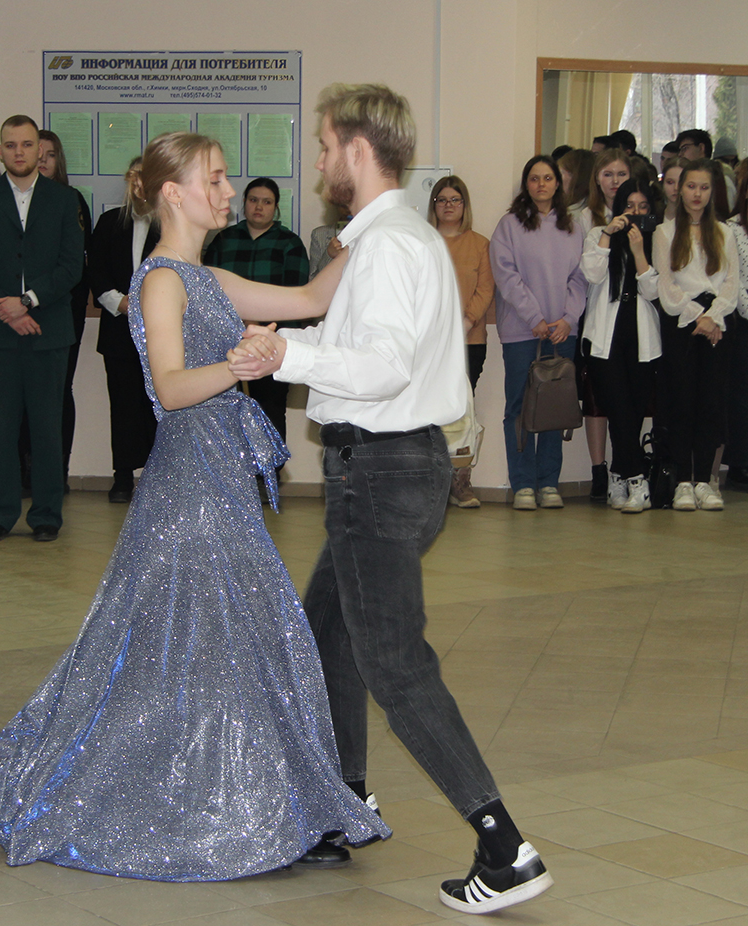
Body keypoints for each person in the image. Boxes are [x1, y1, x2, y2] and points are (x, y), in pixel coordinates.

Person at [0, 130, 388, 880]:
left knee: (229, 636)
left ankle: (271, 797)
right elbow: (169, 389)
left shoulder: (208, 277)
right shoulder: (161, 282)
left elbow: (310, 299)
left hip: (222, 475)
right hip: (189, 485)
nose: (229, 191)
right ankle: (236, 799)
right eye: (216, 179)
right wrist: (240, 364)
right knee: (212, 636)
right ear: (174, 193)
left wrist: (372, 225)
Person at [231, 84, 552, 914]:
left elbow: (380, 367)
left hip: (378, 472)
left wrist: (284, 359)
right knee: (327, 633)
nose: (318, 161)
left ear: (357, 148)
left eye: (324, 145)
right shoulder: (398, 238)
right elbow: (358, 342)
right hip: (395, 467)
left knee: (396, 664)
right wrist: (285, 344)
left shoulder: (386, 248)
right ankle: (344, 802)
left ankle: (504, 848)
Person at [0, 115, 84, 542]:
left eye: (27, 144)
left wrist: (28, 301)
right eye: (11, 145)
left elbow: (71, 266)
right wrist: (7, 308)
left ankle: (47, 514)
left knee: (47, 427)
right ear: (0, 151)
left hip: (49, 332)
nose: (19, 152)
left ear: (40, 150)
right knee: (2, 426)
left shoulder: (64, 199)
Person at [491, 155, 587, 510]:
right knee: (519, 407)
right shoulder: (509, 225)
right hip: (522, 332)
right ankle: (522, 485)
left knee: (554, 407)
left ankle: (548, 483)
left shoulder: (572, 226)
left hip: (562, 332)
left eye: (548, 178)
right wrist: (535, 317)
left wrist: (568, 318)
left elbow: (580, 277)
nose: (541, 184)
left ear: (558, 184)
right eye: (534, 178)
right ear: (526, 184)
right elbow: (507, 277)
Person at [654, 159, 738, 510]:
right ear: (679, 189)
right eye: (691, 186)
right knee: (682, 402)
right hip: (682, 323)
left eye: (704, 187)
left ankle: (704, 480)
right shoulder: (665, 233)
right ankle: (683, 482)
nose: (697, 194)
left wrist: (713, 317)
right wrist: (697, 318)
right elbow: (666, 287)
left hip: (716, 325)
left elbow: (731, 283)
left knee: (710, 403)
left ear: (712, 191)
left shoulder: (724, 232)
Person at [204, 176, 309, 440]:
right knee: (225, 416)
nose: (259, 207)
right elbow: (207, 292)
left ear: (276, 207)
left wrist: (269, 333)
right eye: (253, 200)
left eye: (267, 202)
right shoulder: (223, 240)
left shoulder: (290, 243)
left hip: (269, 345)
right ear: (244, 203)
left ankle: (271, 467)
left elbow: (295, 299)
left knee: (269, 414)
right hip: (225, 343)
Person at [580, 177, 660, 513]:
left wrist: (639, 251)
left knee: (634, 410)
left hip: (642, 336)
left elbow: (654, 291)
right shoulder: (598, 234)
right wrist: (608, 235)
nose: (635, 214)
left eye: (642, 207)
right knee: (617, 408)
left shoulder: (658, 239)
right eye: (629, 207)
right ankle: (638, 480)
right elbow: (592, 273)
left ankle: (617, 474)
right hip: (605, 336)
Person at [89, 156, 160, 503]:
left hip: (161, 332)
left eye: (146, 179)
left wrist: (152, 305)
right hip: (119, 330)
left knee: (159, 406)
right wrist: (122, 303)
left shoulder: (170, 224)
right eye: (134, 179)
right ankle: (122, 476)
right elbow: (96, 271)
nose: (139, 186)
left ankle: (158, 478)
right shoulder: (108, 222)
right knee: (123, 405)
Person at [427, 175, 493, 508]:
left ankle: (460, 482)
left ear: (465, 205)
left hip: (469, 341)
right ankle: (429, 482)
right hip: (428, 343)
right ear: (433, 205)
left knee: (461, 411)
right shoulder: (422, 242)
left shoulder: (480, 244)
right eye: (442, 200)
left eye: (455, 200)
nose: (448, 205)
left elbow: (485, 290)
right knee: (427, 410)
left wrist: (465, 323)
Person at [36, 129, 92, 491]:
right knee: (24, 392)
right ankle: (27, 468)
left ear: (60, 161)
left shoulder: (72, 201)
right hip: (20, 311)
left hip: (64, 310)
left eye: (50, 154)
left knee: (58, 389)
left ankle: (58, 469)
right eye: (37, 153)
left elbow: (80, 264)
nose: (42, 161)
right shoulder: (11, 200)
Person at [577, 149, 631, 498]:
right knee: (597, 400)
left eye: (621, 174)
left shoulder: (642, 213)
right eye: (608, 174)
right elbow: (588, 272)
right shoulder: (586, 218)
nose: (615, 181)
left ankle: (627, 467)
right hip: (596, 314)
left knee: (629, 400)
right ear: (597, 179)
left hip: (632, 316)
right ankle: (599, 470)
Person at [724, 168, 748, 489]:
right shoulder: (731, 229)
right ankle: (740, 463)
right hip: (741, 320)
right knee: (741, 395)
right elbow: (734, 278)